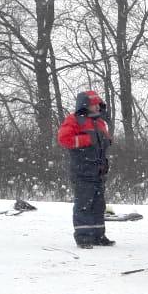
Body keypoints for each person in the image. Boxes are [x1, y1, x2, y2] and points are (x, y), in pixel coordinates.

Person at [57, 90, 114, 249]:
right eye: (94, 104)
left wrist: (107, 141)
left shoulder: (101, 122)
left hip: (99, 171)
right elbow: (64, 139)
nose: (97, 107)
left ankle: (98, 235)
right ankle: (83, 237)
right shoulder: (74, 120)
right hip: (82, 170)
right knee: (83, 204)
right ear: (85, 105)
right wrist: (88, 140)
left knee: (98, 205)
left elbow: (102, 142)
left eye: (98, 104)